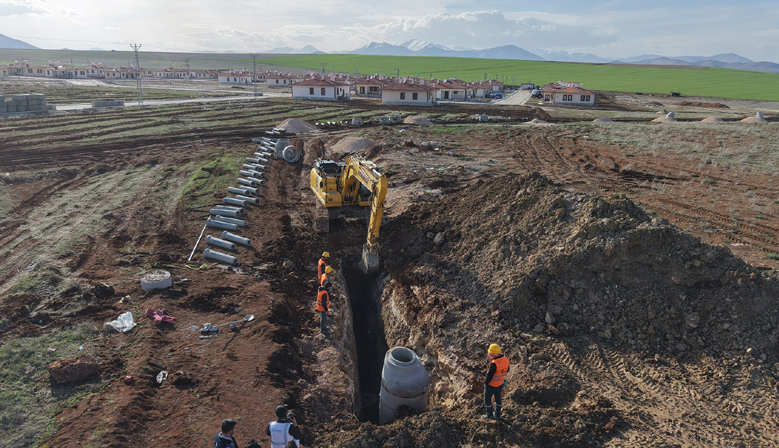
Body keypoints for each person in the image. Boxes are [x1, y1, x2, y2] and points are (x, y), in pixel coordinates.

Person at [483, 343, 510, 420]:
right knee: (498, 398)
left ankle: (489, 415)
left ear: (492, 355)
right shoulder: (506, 359)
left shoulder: (494, 364)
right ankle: (497, 415)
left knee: (487, 399)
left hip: (491, 385)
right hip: (500, 384)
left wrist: (485, 383)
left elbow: (489, 376)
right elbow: (507, 370)